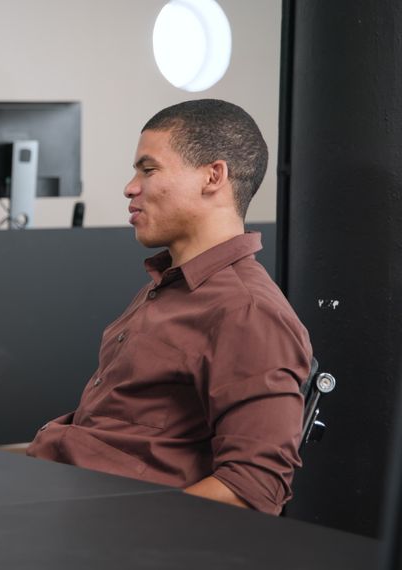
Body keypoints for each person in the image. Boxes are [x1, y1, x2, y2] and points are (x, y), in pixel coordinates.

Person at [26, 99, 312, 516]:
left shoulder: (247, 311)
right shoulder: (167, 288)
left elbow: (252, 488)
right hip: (67, 500)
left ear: (213, 176)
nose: (130, 187)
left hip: (108, 532)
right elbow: (116, 439)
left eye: (148, 169)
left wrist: (116, 531)